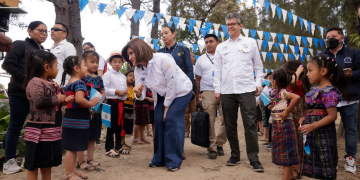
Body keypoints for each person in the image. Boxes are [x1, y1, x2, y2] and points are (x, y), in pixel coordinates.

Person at [122, 38, 192, 172]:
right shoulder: (138, 69)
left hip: (180, 91)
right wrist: (137, 93)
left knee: (171, 118)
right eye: (128, 55)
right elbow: (141, 94)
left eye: (131, 53)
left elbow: (171, 84)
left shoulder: (163, 59)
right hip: (162, 94)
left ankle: (173, 160)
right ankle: (158, 158)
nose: (130, 57)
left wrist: (167, 107)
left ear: (139, 49)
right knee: (158, 120)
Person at [213, 12, 264, 171]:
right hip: (227, 91)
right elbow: (217, 70)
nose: (230, 27)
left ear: (240, 26)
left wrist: (258, 83)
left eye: (233, 24)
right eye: (228, 24)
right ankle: (234, 155)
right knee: (229, 125)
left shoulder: (250, 43)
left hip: (247, 89)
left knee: (250, 124)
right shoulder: (221, 46)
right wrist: (217, 89)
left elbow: (258, 67)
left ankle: (253, 158)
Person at [2, 21, 48, 175]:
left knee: (35, 127)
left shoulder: (43, 51)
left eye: (46, 31)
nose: (44, 34)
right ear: (29, 30)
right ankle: (9, 161)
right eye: (40, 30)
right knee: (15, 126)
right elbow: (7, 64)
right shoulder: (20, 44)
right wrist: (26, 81)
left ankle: (30, 158)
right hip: (19, 93)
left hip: (37, 96)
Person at [22, 50, 73, 180]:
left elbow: (52, 104)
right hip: (38, 131)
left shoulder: (51, 83)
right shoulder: (35, 82)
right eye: (56, 66)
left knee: (46, 161)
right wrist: (58, 98)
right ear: (46, 67)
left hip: (51, 131)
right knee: (33, 162)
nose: (57, 70)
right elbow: (39, 101)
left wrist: (63, 101)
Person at [299, 54, 348, 180]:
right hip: (312, 132)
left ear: (324, 71)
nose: (307, 74)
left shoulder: (329, 92)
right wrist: (305, 118)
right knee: (315, 163)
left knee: (325, 162)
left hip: (324, 134)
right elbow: (312, 110)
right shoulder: (313, 90)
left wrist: (313, 125)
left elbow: (332, 116)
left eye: (310, 71)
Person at [323, 27, 360, 174]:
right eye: (327, 36)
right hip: (328, 99)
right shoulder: (322, 55)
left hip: (349, 99)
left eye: (333, 36)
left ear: (341, 38)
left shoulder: (354, 53)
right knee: (326, 129)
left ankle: (350, 159)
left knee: (351, 130)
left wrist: (352, 75)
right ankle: (329, 158)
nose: (330, 38)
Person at [61, 56, 101, 180]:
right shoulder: (79, 83)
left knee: (74, 147)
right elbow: (79, 99)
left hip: (71, 116)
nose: (86, 68)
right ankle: (68, 173)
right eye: (84, 66)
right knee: (72, 148)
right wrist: (91, 103)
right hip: (76, 118)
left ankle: (73, 171)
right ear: (77, 68)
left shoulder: (69, 82)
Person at [158, 26, 195, 139]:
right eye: (162, 34)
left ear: (173, 34)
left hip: (180, 90)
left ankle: (178, 149)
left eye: (166, 33)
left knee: (178, 118)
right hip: (164, 91)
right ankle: (166, 147)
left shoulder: (183, 50)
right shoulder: (159, 52)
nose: (163, 36)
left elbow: (189, 70)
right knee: (164, 119)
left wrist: (190, 89)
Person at [194, 34, 227, 159]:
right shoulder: (201, 59)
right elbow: (197, 80)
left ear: (217, 43)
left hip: (225, 91)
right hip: (207, 92)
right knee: (209, 120)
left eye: (211, 41)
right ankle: (212, 148)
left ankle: (220, 143)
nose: (208, 44)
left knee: (227, 120)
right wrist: (198, 97)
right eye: (206, 42)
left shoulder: (224, 57)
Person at [268, 68, 301, 180]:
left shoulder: (283, 92)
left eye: (271, 79)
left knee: (287, 156)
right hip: (279, 127)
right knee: (285, 156)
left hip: (285, 127)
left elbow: (296, 97)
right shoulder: (278, 94)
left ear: (275, 81)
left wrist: (286, 111)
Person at [76, 51, 105, 171]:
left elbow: (102, 91)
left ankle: (90, 159)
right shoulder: (81, 78)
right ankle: (80, 160)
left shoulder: (98, 78)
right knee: (82, 135)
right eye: (92, 62)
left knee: (93, 136)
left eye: (97, 62)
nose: (95, 64)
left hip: (96, 110)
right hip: (83, 111)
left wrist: (101, 99)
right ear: (83, 62)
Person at [284, 60, 311, 179]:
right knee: (297, 140)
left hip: (291, 112)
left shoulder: (296, 82)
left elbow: (293, 81)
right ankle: (296, 167)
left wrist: (298, 70)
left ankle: (295, 168)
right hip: (296, 112)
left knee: (292, 140)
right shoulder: (301, 82)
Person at [102, 51, 128, 158]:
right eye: (115, 62)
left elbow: (125, 90)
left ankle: (118, 146)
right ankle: (109, 147)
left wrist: (124, 94)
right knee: (111, 125)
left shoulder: (123, 77)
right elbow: (105, 90)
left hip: (121, 103)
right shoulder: (107, 75)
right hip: (112, 102)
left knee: (120, 125)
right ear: (110, 63)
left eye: (119, 62)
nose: (117, 64)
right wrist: (117, 92)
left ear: (122, 63)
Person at [120, 69, 136, 154]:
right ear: (125, 76)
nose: (131, 78)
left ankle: (124, 142)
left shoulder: (133, 87)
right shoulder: (123, 87)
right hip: (124, 107)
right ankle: (121, 143)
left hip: (130, 108)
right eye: (130, 76)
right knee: (123, 125)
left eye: (133, 77)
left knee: (127, 126)